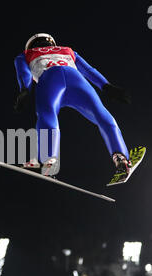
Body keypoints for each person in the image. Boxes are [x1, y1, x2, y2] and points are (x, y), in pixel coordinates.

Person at [14, 33, 135, 180]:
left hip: (49, 80)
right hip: (77, 80)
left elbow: (24, 73)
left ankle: (47, 160)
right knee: (101, 114)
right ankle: (121, 157)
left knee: (47, 114)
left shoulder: (25, 54)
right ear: (51, 42)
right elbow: (89, 70)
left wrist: (24, 90)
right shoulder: (68, 50)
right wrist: (106, 86)